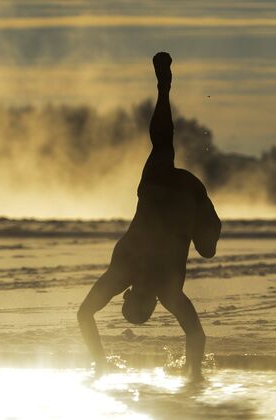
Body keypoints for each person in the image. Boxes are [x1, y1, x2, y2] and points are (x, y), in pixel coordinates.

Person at [77, 52, 221, 380]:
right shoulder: (153, 284)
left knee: (162, 145)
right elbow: (84, 314)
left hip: (175, 194)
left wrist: (101, 363)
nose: (145, 292)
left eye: (140, 298)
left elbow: (84, 314)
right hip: (186, 196)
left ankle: (164, 89)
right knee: (162, 147)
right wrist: (193, 374)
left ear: (128, 293)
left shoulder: (138, 276)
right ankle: (163, 91)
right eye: (146, 299)